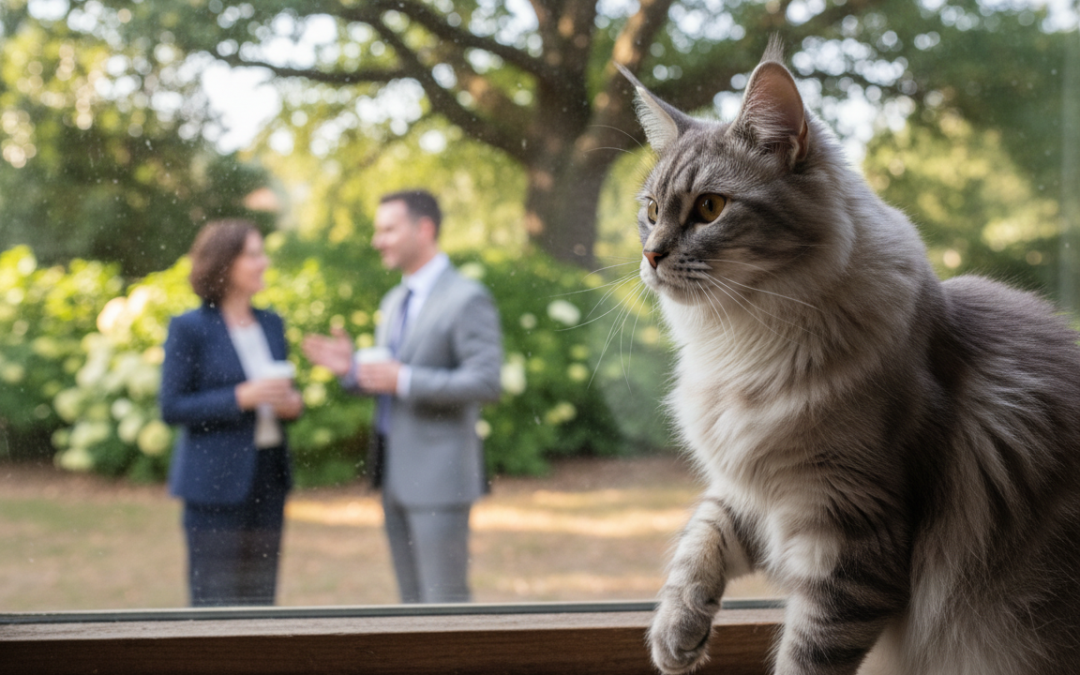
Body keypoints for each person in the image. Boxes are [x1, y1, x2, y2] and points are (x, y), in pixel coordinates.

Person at [302, 190, 502, 604]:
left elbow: (485, 382)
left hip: (440, 481)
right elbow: (390, 378)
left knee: (444, 605)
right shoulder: (394, 300)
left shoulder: (467, 297)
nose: (378, 241)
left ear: (424, 228)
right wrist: (352, 370)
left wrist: (405, 379)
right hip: (392, 475)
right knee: (409, 608)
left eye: (388, 229)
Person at [160, 220, 303, 607]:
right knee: (215, 601)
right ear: (225, 262)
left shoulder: (271, 323)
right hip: (213, 485)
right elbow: (171, 407)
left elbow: (284, 394)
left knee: (261, 598)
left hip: (268, 478)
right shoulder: (189, 328)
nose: (264, 262)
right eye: (253, 254)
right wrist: (240, 397)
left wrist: (292, 405)